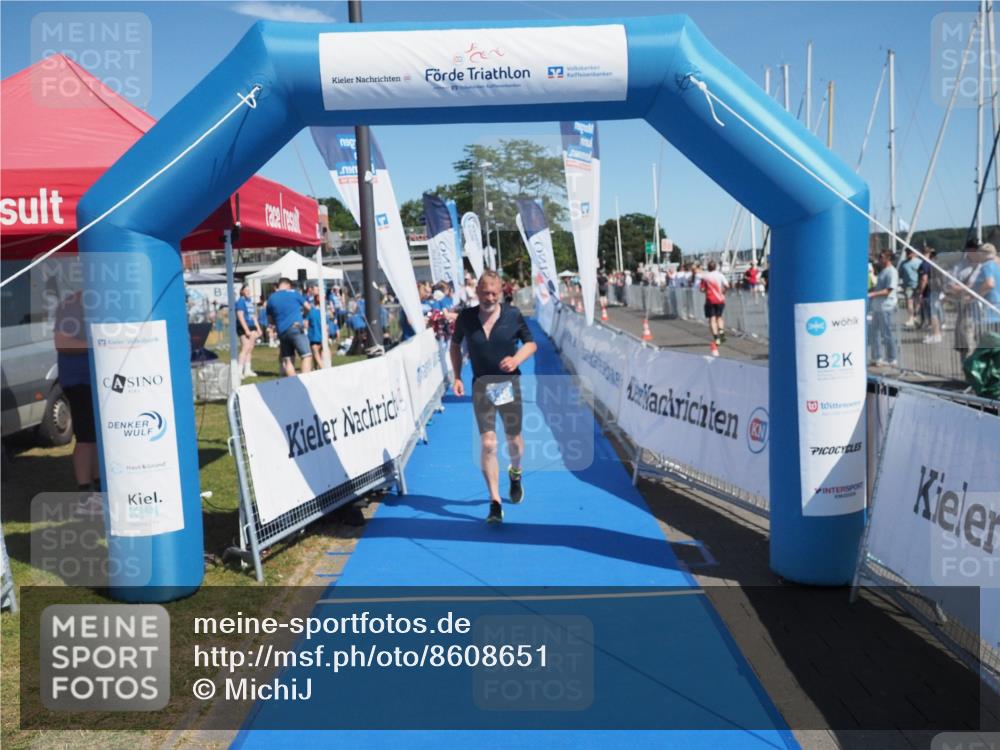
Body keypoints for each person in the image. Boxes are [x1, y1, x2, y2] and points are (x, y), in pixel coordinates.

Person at [449, 271, 537, 524]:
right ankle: (495, 502)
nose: (489, 297)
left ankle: (516, 472)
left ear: (501, 292)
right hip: (481, 385)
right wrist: (456, 376)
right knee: (488, 444)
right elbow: (455, 345)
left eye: (494, 293)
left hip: (509, 385)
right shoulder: (466, 317)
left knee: (514, 441)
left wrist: (517, 358)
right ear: (476, 291)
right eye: (485, 292)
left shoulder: (512, 315)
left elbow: (531, 344)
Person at [54, 291, 101, 511]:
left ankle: (99, 490)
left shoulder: (102, 300)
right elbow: (62, 343)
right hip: (80, 380)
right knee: (86, 437)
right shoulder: (71, 305)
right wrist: (97, 343)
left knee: (98, 437)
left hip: (98, 380)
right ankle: (85, 494)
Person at [265, 277, 312, 377]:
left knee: (288, 360)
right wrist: (304, 316)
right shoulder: (294, 293)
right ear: (288, 285)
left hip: (282, 332)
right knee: (306, 356)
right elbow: (308, 307)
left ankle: (294, 384)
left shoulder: (271, 298)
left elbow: (270, 320)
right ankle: (305, 381)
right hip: (295, 327)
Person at [868, 250, 900, 367]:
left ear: (888, 258)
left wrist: (872, 295)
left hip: (886, 307)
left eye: (881, 257)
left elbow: (888, 290)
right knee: (874, 334)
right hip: (877, 307)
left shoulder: (892, 272)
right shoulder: (883, 271)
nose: (879, 258)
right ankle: (877, 357)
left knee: (887, 334)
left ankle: (892, 358)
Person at [699, 260, 730, 356]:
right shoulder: (720, 275)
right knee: (719, 317)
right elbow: (727, 286)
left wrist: (707, 291)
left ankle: (716, 338)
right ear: (715, 267)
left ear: (708, 267)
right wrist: (723, 292)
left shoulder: (705, 276)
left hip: (710, 300)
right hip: (720, 299)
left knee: (712, 319)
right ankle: (721, 331)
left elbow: (702, 289)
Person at [917, 248, 944, 344]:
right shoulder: (934, 263)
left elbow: (924, 279)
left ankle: (936, 335)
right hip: (936, 290)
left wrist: (920, 292)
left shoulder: (925, 264)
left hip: (929, 291)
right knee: (934, 313)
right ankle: (934, 333)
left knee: (932, 315)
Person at [234, 285, 260, 377]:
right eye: (246, 290)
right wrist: (246, 330)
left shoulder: (249, 301)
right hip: (244, 327)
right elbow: (240, 316)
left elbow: (253, 316)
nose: (248, 292)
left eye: (249, 290)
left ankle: (247, 370)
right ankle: (239, 371)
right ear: (242, 292)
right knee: (245, 348)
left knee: (250, 348)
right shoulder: (240, 302)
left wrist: (258, 328)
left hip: (251, 326)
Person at [898, 248, 923, 328]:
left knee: (918, 303)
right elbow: (900, 274)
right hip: (908, 286)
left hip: (918, 285)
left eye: (910, 252)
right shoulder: (903, 263)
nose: (908, 254)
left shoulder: (919, 262)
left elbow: (923, 274)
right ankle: (911, 318)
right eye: (907, 252)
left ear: (913, 253)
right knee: (909, 302)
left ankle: (915, 316)